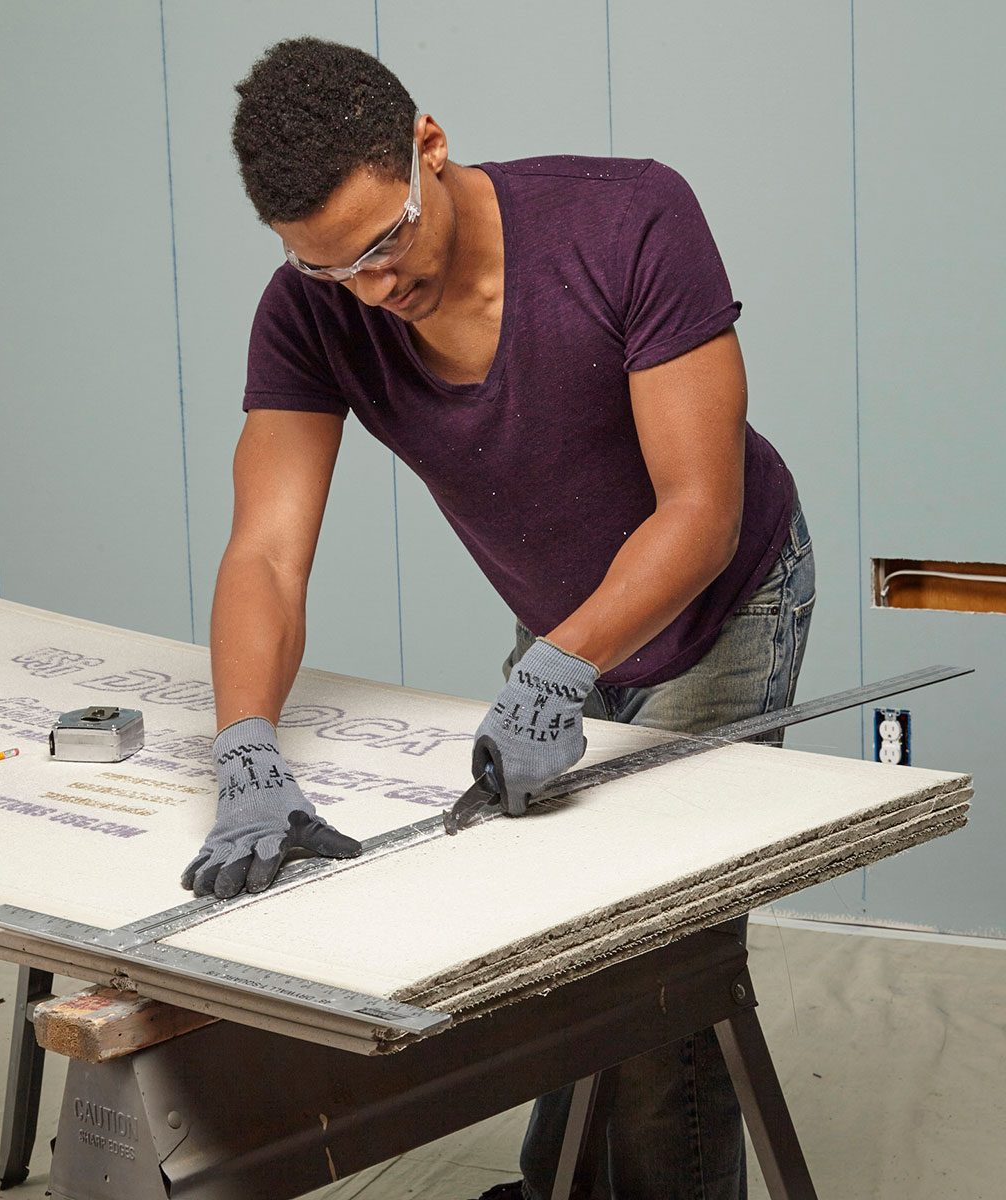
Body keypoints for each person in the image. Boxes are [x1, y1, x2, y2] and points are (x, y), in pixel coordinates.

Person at [180, 35, 815, 1200]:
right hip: (562, 617)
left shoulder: (627, 219)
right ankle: (564, 1183)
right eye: (333, 270)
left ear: (430, 146)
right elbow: (267, 554)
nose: (374, 289)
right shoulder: (312, 313)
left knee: (660, 942)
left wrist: (559, 668)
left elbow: (702, 510)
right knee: (558, 915)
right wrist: (246, 747)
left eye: (385, 242)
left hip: (722, 598)